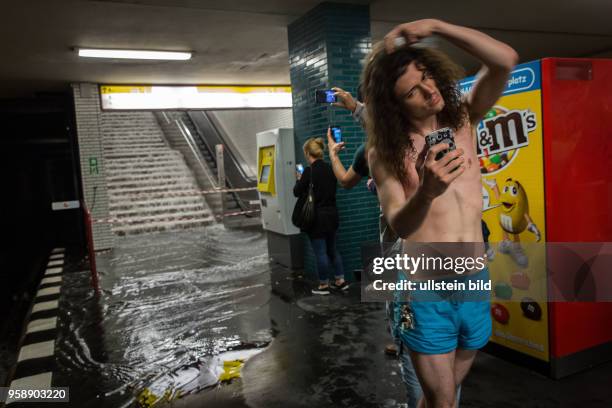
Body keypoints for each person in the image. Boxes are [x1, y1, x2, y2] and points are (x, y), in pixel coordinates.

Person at [364, 18, 518, 408]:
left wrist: (438, 26)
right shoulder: (385, 153)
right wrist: (427, 191)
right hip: (424, 291)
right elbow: (400, 222)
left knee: (443, 398)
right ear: (393, 105)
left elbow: (504, 60)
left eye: (428, 77)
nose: (429, 91)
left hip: (474, 282)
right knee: (443, 399)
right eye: (412, 91)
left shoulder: (463, 120)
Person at [293, 137, 348, 295]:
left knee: (320, 253)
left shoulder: (309, 172)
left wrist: (299, 179)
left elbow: (296, 192)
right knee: (332, 250)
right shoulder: (331, 168)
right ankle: (340, 280)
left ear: (307, 153)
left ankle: (323, 285)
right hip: (332, 216)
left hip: (316, 218)